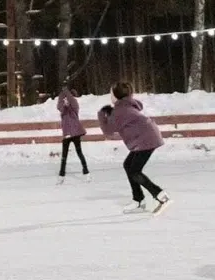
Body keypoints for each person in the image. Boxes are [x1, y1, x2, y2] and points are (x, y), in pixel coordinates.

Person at [97, 82, 170, 214]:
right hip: (148, 136)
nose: (110, 96)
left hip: (145, 139)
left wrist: (102, 115)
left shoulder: (119, 111)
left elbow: (108, 131)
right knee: (128, 165)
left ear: (116, 96)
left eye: (111, 93)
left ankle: (161, 196)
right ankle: (138, 199)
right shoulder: (127, 105)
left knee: (135, 171)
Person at [56, 84, 89, 184]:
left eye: (67, 99)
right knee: (64, 156)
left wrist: (66, 92)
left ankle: (86, 173)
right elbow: (59, 105)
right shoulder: (63, 111)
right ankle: (61, 176)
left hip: (75, 134)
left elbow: (72, 101)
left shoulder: (74, 107)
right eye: (64, 100)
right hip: (66, 135)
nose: (66, 101)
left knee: (79, 153)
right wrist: (62, 93)